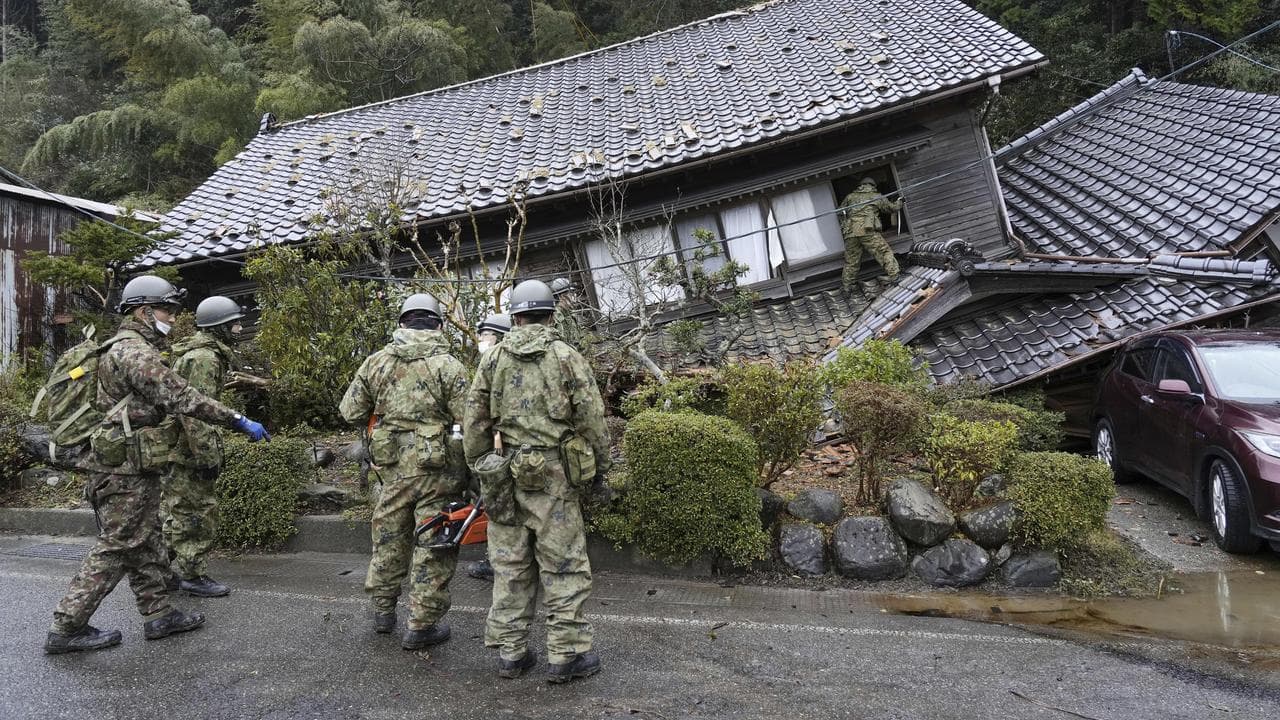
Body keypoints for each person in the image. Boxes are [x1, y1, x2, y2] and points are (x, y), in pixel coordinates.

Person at [44, 276, 271, 655]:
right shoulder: (133, 351)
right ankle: (67, 625)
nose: (172, 317)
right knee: (119, 544)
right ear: (144, 311)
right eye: (167, 309)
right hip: (122, 468)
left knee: (145, 540)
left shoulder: (123, 347)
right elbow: (178, 394)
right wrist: (235, 418)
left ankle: (158, 615)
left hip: (131, 462)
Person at [464, 280, 612, 683]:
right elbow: (592, 419)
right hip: (556, 474)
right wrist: (600, 465)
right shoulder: (566, 356)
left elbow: (474, 419)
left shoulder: (492, 360)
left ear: (514, 316)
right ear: (552, 314)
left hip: (505, 470)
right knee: (563, 564)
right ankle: (566, 655)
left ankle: (512, 653)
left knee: (510, 562)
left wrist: (481, 466)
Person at [339, 293, 470, 650]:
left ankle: (383, 612)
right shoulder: (449, 366)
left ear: (401, 324)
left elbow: (350, 411)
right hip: (438, 468)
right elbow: (472, 422)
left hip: (391, 467)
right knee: (434, 540)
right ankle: (421, 625)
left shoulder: (375, 363)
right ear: (440, 325)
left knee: (388, 536)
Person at [161, 296, 250, 598]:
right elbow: (195, 412)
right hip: (187, 450)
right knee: (197, 511)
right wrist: (206, 454)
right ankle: (192, 575)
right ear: (219, 327)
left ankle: (159, 572)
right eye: (234, 323)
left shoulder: (199, 353)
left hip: (176, 446)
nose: (239, 328)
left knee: (175, 511)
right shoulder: (204, 359)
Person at [466, 312, 511, 583]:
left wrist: (475, 460)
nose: (481, 340)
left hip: (499, 451)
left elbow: (476, 418)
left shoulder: (492, 366)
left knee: (500, 509)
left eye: (486, 335)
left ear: (500, 337)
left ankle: (498, 564)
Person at [839, 177, 904, 291]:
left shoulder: (850, 197)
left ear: (860, 186)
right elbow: (891, 208)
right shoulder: (876, 196)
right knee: (883, 252)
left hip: (850, 232)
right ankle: (895, 276)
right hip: (866, 230)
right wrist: (900, 202)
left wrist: (846, 224)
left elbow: (840, 212)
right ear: (873, 186)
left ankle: (847, 287)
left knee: (851, 261)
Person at [549, 277, 587, 350]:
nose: (575, 296)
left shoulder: (571, 315)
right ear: (562, 297)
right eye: (571, 293)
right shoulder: (554, 318)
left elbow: (578, 341)